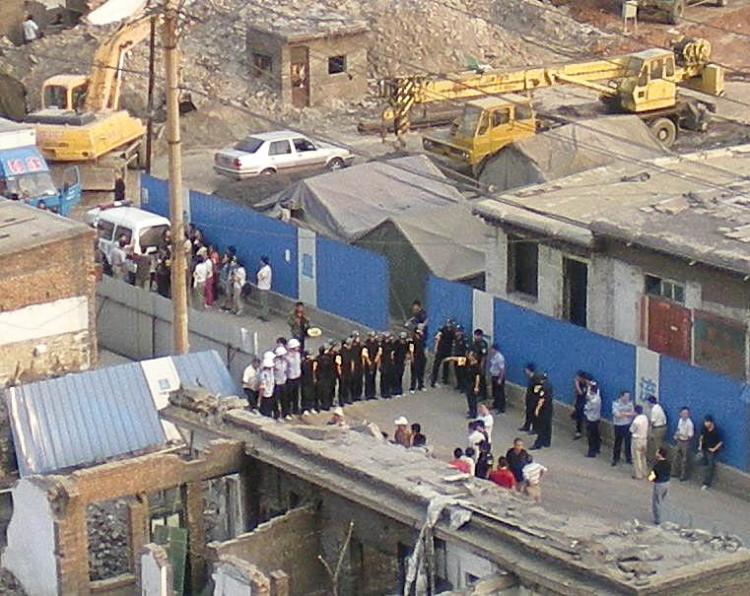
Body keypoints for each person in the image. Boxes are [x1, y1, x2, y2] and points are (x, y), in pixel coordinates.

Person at [698, 415, 723, 490]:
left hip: (711, 451)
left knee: (710, 466)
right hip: (704, 449)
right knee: (697, 460)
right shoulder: (704, 428)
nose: (705, 423)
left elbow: (720, 442)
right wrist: (700, 445)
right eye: (705, 422)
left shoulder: (716, 431)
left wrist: (714, 449)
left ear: (711, 422)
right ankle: (704, 467)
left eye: (707, 422)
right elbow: (701, 437)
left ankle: (706, 483)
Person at [611, 391, 635, 466]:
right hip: (618, 425)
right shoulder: (616, 403)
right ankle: (615, 458)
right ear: (621, 396)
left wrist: (623, 413)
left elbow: (633, 414)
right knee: (618, 442)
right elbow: (617, 415)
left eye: (628, 397)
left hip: (627, 425)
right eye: (626, 397)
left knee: (628, 442)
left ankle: (628, 458)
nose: (627, 398)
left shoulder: (630, 403)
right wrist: (627, 414)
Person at [430, 319, 456, 387]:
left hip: (448, 350)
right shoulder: (443, 330)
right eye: (448, 323)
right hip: (441, 350)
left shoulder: (453, 331)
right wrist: (436, 347)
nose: (449, 325)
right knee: (436, 365)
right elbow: (437, 338)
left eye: (450, 323)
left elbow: (454, 341)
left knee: (446, 365)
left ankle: (445, 380)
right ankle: (433, 381)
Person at [649, 446, 671, 525]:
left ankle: (658, 519)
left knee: (656, 501)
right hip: (667, 483)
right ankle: (662, 514)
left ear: (659, 454)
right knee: (662, 500)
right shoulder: (668, 463)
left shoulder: (657, 465)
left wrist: (650, 478)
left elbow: (653, 476)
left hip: (659, 484)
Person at [672, 407, 694, 481]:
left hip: (685, 442)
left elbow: (690, 435)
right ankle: (674, 472)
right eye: (683, 413)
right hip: (679, 441)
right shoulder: (680, 420)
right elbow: (678, 429)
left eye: (686, 413)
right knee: (676, 457)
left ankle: (683, 475)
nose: (685, 415)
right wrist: (676, 435)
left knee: (684, 459)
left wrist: (682, 435)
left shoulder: (690, 424)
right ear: (680, 414)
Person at [531, 375, 553, 450]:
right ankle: (547, 441)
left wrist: (537, 409)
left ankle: (538, 443)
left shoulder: (543, 388)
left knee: (541, 426)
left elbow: (542, 399)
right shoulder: (549, 385)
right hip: (549, 408)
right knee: (547, 425)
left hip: (544, 409)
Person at [630, 405, 649, 480]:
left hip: (637, 439)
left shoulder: (636, 421)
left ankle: (639, 474)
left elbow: (632, 430)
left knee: (636, 457)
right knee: (643, 456)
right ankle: (645, 472)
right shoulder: (645, 418)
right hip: (644, 439)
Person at [584, 380, 602, 458]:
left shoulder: (593, 401)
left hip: (591, 419)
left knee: (591, 437)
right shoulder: (598, 396)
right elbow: (592, 392)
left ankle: (592, 452)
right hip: (597, 418)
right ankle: (597, 448)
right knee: (596, 435)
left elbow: (587, 408)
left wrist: (585, 407)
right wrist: (590, 386)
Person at [647, 395, 668, 464]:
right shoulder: (659, 407)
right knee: (659, 445)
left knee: (657, 446)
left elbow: (653, 421)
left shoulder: (654, 409)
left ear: (650, 402)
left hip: (658, 429)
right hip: (663, 427)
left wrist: (648, 429)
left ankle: (658, 462)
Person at [519, 364, 538, 433]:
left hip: (533, 400)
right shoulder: (530, 378)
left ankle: (535, 428)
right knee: (528, 413)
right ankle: (527, 426)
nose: (525, 371)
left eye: (526, 369)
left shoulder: (535, 379)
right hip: (529, 399)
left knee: (533, 415)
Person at [471, 329, 489, 398]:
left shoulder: (483, 344)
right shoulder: (474, 343)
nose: (476, 337)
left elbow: (484, 356)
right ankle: (476, 392)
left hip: (480, 363)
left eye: (478, 336)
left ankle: (483, 394)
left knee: (481, 379)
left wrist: (482, 365)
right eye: (475, 335)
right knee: (475, 378)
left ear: (481, 336)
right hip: (474, 363)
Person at [286, 338, 302, 415]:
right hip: (290, 378)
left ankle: (295, 409)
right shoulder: (287, 357)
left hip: (297, 377)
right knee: (289, 395)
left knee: (296, 394)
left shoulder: (298, 355)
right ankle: (289, 410)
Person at [488, 344, 506, 413]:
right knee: (495, 392)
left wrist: (500, 379)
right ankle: (495, 404)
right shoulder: (493, 356)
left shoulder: (500, 358)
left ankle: (501, 408)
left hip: (498, 376)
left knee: (500, 393)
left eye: (492, 349)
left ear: (495, 349)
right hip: (494, 376)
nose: (491, 350)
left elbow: (502, 369)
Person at [409, 326, 427, 393]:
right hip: (415, 356)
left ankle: (421, 385)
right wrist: (412, 357)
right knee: (414, 373)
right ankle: (412, 387)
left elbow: (424, 347)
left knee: (421, 372)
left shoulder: (422, 338)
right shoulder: (412, 340)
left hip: (422, 356)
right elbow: (411, 349)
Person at [258, 352, 276, 418]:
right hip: (266, 395)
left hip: (270, 393)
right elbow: (262, 387)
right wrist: (260, 399)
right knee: (266, 411)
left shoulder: (270, 371)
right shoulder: (264, 374)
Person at [465, 352, 482, 419]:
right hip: (468, 382)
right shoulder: (469, 363)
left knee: (472, 399)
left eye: (470, 355)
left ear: (473, 357)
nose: (469, 356)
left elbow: (477, 377)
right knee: (469, 397)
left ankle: (473, 413)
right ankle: (471, 410)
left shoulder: (476, 366)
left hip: (473, 384)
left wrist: (476, 387)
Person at [273, 346, 289, 419]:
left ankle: (285, 414)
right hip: (277, 383)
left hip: (284, 382)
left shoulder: (285, 361)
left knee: (285, 399)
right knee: (276, 400)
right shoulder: (274, 363)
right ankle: (277, 415)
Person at [363, 331, 380, 400]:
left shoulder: (376, 343)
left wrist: (376, 360)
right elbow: (365, 354)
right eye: (371, 336)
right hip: (368, 363)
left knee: (373, 378)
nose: (372, 338)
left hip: (374, 362)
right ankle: (367, 394)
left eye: (373, 336)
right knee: (368, 379)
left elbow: (378, 352)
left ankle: (372, 394)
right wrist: (369, 362)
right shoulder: (366, 344)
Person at [572, 371, 588, 439]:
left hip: (586, 403)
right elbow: (577, 394)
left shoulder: (587, 385)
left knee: (586, 418)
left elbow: (581, 393)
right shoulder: (579, 384)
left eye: (578, 378)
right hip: (579, 402)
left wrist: (577, 384)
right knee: (578, 417)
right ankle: (578, 431)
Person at [452, 326, 468, 392]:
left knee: (462, 372)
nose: (457, 332)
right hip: (456, 357)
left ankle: (463, 387)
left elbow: (466, 350)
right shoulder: (455, 339)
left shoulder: (464, 339)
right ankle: (458, 384)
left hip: (462, 358)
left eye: (459, 331)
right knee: (457, 371)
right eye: (457, 331)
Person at [300, 350, 318, 414]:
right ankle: (305, 408)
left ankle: (311, 407)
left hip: (311, 380)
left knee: (312, 394)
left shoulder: (313, 362)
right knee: (305, 394)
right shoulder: (303, 363)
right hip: (305, 381)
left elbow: (314, 371)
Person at [393, 331, 409, 397]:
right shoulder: (396, 343)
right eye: (401, 338)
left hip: (402, 362)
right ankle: (396, 391)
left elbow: (407, 352)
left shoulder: (406, 344)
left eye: (404, 339)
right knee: (396, 376)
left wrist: (406, 359)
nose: (402, 340)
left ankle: (400, 390)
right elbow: (393, 352)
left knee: (400, 376)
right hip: (396, 362)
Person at [256, 256, 272, 320]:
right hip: (262, 286)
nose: (260, 262)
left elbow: (262, 277)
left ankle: (265, 316)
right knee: (262, 302)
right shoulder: (263, 268)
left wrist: (258, 276)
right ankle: (262, 314)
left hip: (265, 287)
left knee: (264, 303)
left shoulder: (267, 269)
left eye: (261, 261)